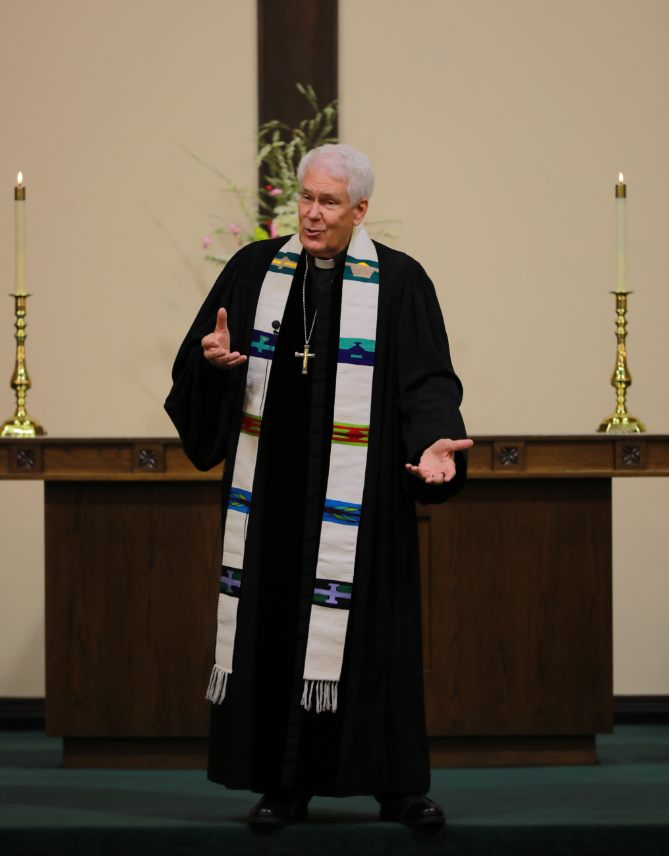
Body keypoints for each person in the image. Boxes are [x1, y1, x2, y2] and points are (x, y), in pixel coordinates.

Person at [165, 144, 472, 828]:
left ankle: (395, 785)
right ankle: (283, 784)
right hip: (271, 498)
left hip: (361, 509)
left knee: (373, 640)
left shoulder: (399, 283)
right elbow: (201, 362)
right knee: (275, 636)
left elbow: (426, 382)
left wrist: (433, 442)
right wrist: (214, 367)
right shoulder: (252, 273)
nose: (310, 212)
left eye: (328, 202)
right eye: (304, 197)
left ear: (361, 210)